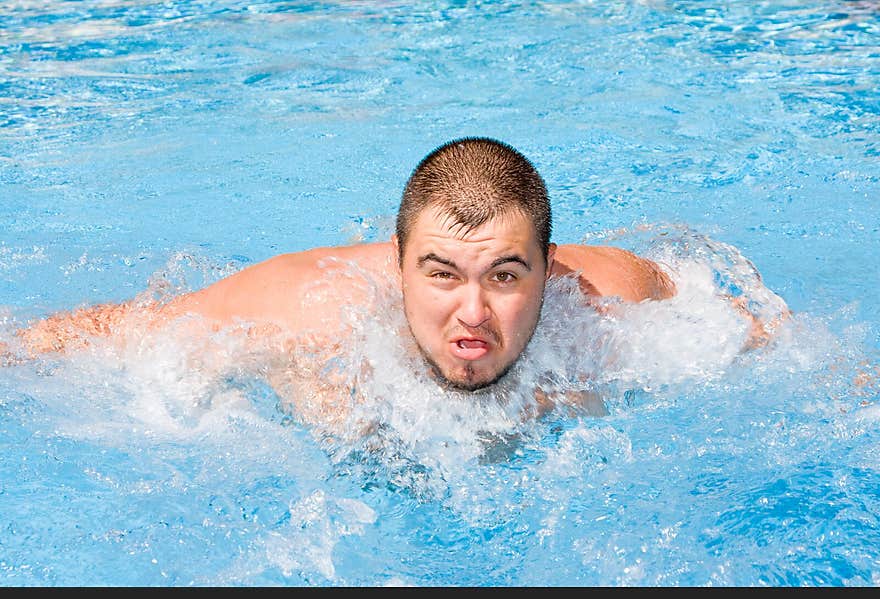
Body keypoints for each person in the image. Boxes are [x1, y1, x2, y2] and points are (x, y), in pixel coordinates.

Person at [9, 137, 761, 430]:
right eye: (441, 274)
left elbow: (755, 332)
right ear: (395, 263)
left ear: (548, 264)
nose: (473, 312)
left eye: (505, 275)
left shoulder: (607, 298)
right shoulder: (308, 310)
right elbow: (121, 332)